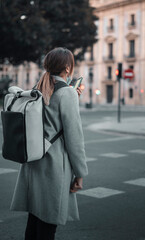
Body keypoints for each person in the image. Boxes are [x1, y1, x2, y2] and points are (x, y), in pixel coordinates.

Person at [10, 47, 89, 240]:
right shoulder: (67, 93)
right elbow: (74, 138)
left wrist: (73, 95)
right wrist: (80, 173)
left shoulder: (38, 89)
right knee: (48, 225)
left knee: (34, 221)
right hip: (54, 165)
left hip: (34, 160)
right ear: (68, 68)